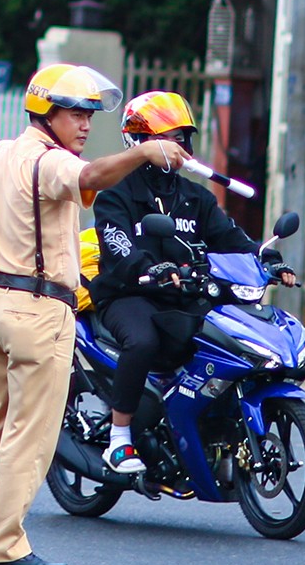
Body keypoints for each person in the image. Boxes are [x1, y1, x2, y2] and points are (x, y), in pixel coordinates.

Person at [0, 64, 185, 565]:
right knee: (29, 436)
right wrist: (144, 150)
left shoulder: (5, 152)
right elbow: (91, 177)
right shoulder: (51, 164)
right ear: (45, 113)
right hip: (39, 310)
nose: (85, 125)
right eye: (76, 113)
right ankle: (3, 545)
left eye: (90, 115)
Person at [85, 92, 289, 478]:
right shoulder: (117, 192)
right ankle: (119, 436)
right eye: (168, 138)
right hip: (129, 295)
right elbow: (118, 246)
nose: (178, 147)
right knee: (142, 341)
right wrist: (152, 268)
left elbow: (230, 237)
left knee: (227, 339)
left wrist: (267, 260)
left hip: (185, 296)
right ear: (140, 142)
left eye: (182, 138)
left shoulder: (194, 196)